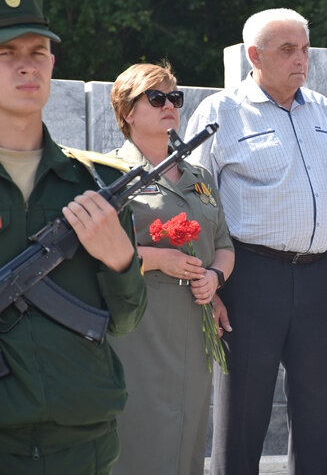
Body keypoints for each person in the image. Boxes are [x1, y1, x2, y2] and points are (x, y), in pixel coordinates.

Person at [184, 8, 327, 475]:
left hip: (321, 275)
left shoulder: (325, 109)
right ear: (253, 56)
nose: (301, 59)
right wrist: (212, 287)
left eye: (304, 48)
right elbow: (196, 204)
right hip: (251, 276)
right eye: (287, 50)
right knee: (243, 416)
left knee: (320, 415)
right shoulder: (220, 113)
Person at [0, 0, 147, 474]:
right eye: (7, 53)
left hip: (82, 440)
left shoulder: (95, 185)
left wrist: (120, 259)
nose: (27, 65)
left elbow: (126, 321)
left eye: (38, 52)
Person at [106, 62, 235, 475]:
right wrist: (160, 257)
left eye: (174, 98)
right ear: (127, 112)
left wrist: (214, 279)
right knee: (142, 431)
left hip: (193, 325)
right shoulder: (108, 174)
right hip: (140, 321)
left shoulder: (199, 176)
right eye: (156, 97)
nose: (169, 106)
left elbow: (224, 245)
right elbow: (95, 249)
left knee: (188, 431)